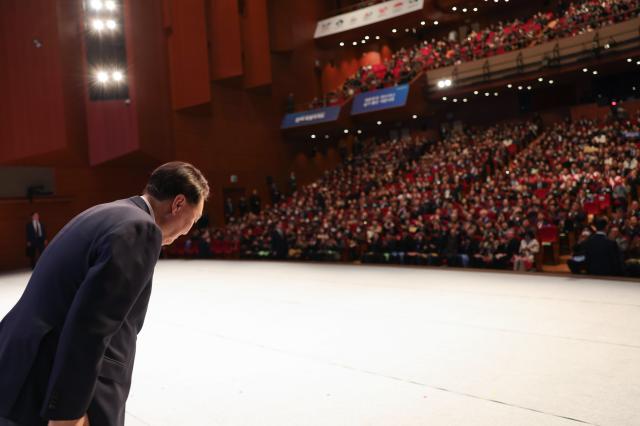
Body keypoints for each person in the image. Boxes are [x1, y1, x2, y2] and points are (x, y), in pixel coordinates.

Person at [0, 162, 209, 426]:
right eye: (194, 219)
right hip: (46, 383)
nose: (189, 230)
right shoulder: (141, 229)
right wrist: (68, 411)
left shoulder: (107, 212)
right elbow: (91, 326)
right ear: (178, 204)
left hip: (21, 368)